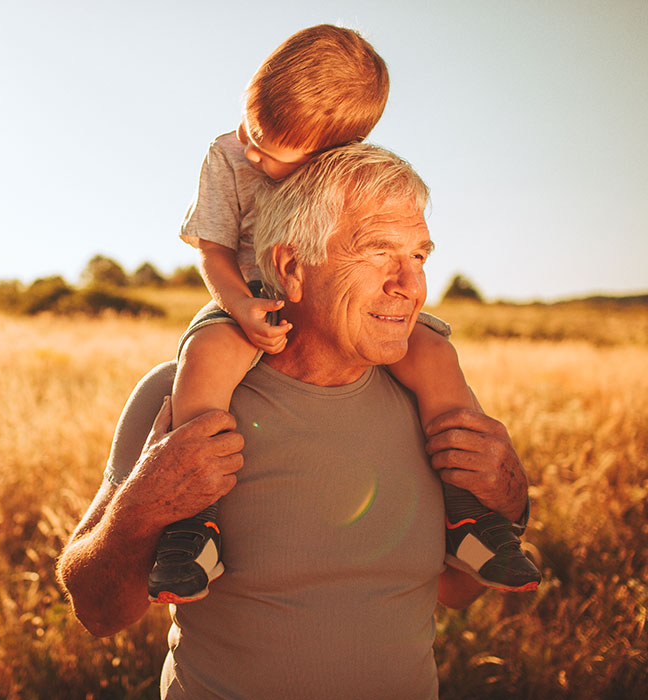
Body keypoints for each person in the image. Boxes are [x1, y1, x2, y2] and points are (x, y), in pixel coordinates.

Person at [57, 144, 537, 698]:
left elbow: (455, 589)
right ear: (290, 267)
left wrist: (509, 501)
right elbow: (97, 611)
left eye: (420, 256)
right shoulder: (180, 396)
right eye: (379, 252)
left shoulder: (435, 402)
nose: (410, 284)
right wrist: (142, 508)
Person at [152, 24, 539, 603]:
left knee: (434, 352)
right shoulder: (225, 155)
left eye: (271, 149)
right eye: (250, 128)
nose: (251, 152)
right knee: (208, 353)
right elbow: (211, 247)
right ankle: (193, 525)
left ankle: (470, 517)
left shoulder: (340, 173)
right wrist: (241, 305)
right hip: (247, 293)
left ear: (329, 151)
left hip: (317, 297)